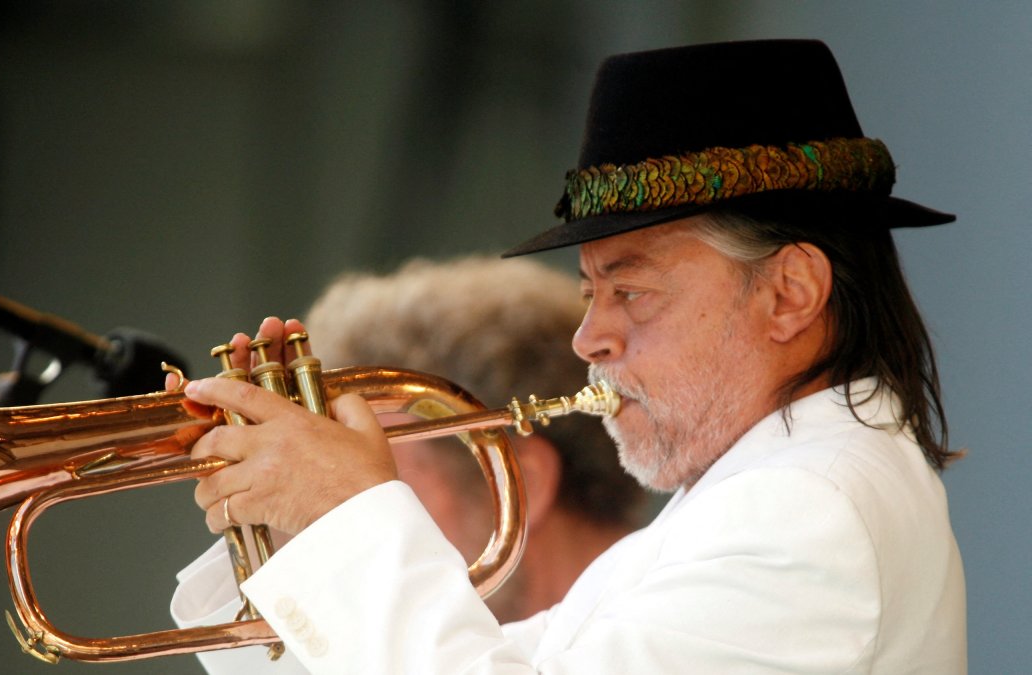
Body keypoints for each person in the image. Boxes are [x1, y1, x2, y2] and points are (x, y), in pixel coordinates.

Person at [177, 40, 966, 673]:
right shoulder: (760, 495)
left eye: (632, 292)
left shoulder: (801, 510)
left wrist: (343, 514)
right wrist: (281, 529)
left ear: (790, 292)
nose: (588, 338)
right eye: (590, 293)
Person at [171, 255, 645, 672]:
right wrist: (286, 542)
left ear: (520, 482)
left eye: (374, 470)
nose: (322, 485)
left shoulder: (665, 618)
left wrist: (339, 509)